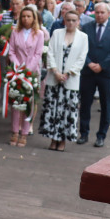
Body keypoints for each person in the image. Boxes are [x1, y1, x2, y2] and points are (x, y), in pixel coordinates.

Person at [39, 9, 89, 151]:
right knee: (52, 110)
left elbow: (81, 58)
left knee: (67, 112)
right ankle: (53, 139)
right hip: (54, 78)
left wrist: (67, 73)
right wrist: (55, 72)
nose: (71, 23)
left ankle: (63, 141)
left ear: (78, 22)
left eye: (74, 20)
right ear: (64, 20)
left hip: (70, 79)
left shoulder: (83, 37)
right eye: (68, 20)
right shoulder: (57, 33)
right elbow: (50, 54)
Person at [76, 2, 110, 148]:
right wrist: (89, 63)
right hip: (88, 72)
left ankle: (101, 135)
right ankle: (84, 133)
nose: (99, 15)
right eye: (97, 12)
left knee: (106, 104)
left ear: (109, 13)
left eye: (102, 12)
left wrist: (102, 65)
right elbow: (82, 48)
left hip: (106, 73)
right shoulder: (87, 27)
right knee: (85, 103)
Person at [4, 6, 45, 146]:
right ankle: (15, 131)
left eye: (29, 16)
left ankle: (25, 133)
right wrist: (18, 69)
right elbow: (12, 52)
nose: (26, 19)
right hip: (17, 72)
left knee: (28, 103)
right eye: (23, 16)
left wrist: (27, 70)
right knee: (17, 103)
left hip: (32, 73)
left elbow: (38, 54)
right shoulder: (15, 32)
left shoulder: (39, 33)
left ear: (34, 18)